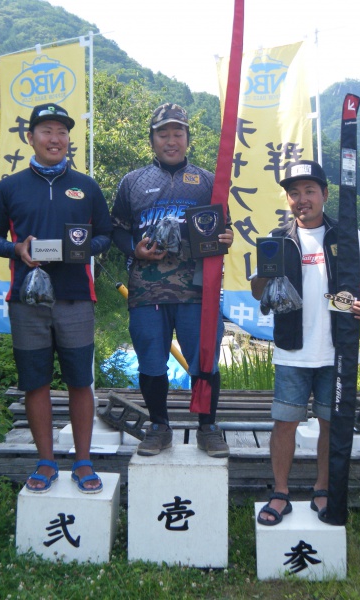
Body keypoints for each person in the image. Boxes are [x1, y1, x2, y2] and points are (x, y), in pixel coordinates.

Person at [0, 103, 112, 494]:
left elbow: (106, 235)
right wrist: (16, 249)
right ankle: (45, 461)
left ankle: (83, 460)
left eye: (61, 131)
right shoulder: (9, 187)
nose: (55, 138)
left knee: (80, 381)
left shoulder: (87, 186)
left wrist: (83, 249)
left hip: (76, 297)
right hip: (27, 300)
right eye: (46, 131)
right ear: (31, 138)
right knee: (35, 383)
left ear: (68, 139)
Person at [250, 160, 360, 525]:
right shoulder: (278, 239)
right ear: (288, 199)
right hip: (292, 349)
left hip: (336, 350)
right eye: (294, 192)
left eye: (309, 191)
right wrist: (264, 271)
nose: (302, 199)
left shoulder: (347, 235)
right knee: (284, 424)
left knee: (330, 424)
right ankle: (280, 493)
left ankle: (322, 490)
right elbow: (257, 290)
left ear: (325, 194)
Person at [111, 103, 234, 458]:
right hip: (146, 291)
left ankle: (207, 427)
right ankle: (159, 426)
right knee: (151, 361)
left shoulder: (208, 182)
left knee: (204, 360)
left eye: (177, 132)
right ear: (152, 139)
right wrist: (135, 249)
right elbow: (115, 230)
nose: (171, 140)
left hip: (198, 292)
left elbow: (223, 229)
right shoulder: (132, 183)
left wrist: (225, 238)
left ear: (187, 139)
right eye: (163, 133)